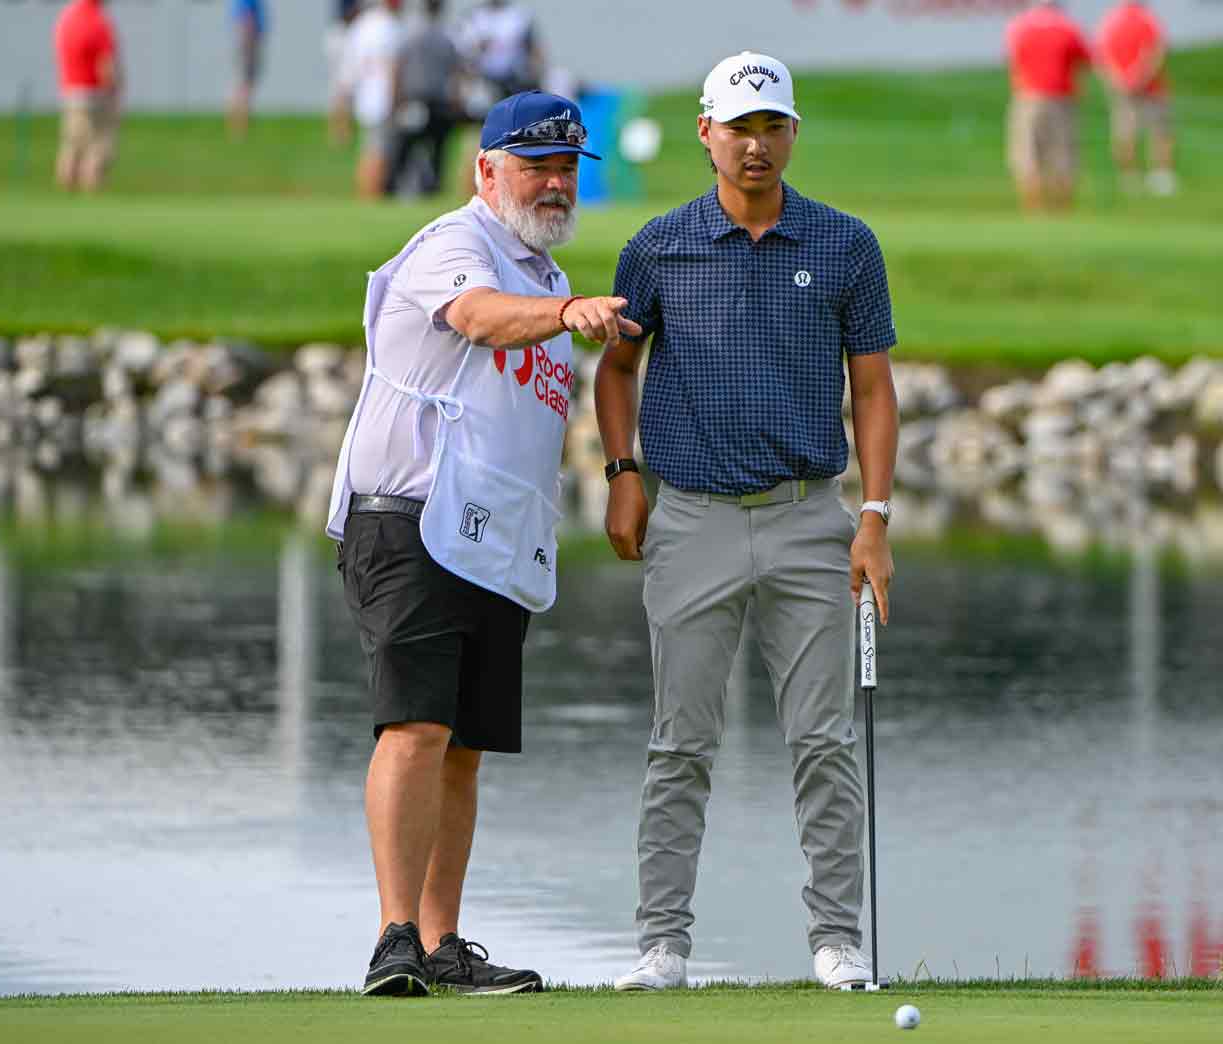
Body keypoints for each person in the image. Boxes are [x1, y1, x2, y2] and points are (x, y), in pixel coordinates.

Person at [597, 50, 900, 992]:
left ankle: (838, 943)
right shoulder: (658, 246)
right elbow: (616, 367)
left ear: (793, 133)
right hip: (690, 521)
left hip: (812, 520)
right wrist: (621, 473)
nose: (755, 145)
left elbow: (874, 387)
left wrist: (876, 517)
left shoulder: (845, 245)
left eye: (772, 127)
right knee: (680, 743)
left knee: (823, 742)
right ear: (706, 132)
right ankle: (662, 947)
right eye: (739, 127)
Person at [324, 90, 637, 996]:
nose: (553, 183)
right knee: (416, 726)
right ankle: (393, 939)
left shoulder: (543, 277)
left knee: (463, 744)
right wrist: (571, 310)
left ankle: (441, 942)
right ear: (486, 169)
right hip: (409, 517)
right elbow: (475, 319)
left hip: (492, 538)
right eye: (534, 165)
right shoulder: (455, 246)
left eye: (566, 167)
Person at [1004, 0, 1093, 212]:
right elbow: (1085, 59)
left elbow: (1014, 60)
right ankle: (1062, 209)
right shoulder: (1068, 26)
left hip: (1028, 96)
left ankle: (1033, 208)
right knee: (1063, 154)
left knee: (1028, 154)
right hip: (1061, 98)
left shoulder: (1019, 26)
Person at [1095, 0, 1176, 196]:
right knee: (1159, 133)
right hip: (1152, 88)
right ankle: (1160, 178)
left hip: (1124, 88)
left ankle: (1130, 179)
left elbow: (1101, 57)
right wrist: (1140, 77)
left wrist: (1117, 80)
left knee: (1125, 133)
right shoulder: (1147, 18)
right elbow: (1157, 51)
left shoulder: (1109, 21)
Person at [387, 0, 463, 196]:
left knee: (405, 148)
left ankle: (394, 188)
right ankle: (432, 188)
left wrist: (394, 102)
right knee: (436, 151)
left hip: (413, 100)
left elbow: (397, 70)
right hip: (438, 103)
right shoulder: (447, 38)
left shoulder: (409, 35)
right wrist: (456, 103)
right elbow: (455, 75)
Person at [52, 0, 121, 193]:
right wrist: (115, 95)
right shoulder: (98, 22)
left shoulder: (66, 18)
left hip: (70, 91)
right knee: (98, 146)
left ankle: (65, 194)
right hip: (95, 93)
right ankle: (92, 192)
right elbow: (106, 66)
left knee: (72, 145)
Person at [341, 0, 407, 198]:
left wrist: (344, 102)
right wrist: (396, 100)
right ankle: (373, 195)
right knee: (379, 152)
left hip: (364, 96)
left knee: (369, 149)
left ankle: (365, 194)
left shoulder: (362, 25)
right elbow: (393, 68)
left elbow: (349, 67)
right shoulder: (391, 27)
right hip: (382, 98)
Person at [460, 0, 541, 102]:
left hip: (515, 80)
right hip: (483, 80)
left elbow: (534, 49)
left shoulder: (520, 16)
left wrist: (535, 73)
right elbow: (465, 53)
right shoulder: (475, 17)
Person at [228, 0, 267, 141]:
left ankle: (240, 128)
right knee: (244, 84)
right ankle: (239, 129)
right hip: (248, 38)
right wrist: (249, 39)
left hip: (246, 37)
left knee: (243, 84)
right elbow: (246, 15)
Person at [327, 0, 364, 146]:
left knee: (342, 89)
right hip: (343, 33)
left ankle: (341, 132)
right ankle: (341, 133)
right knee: (342, 89)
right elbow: (347, 13)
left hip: (342, 33)